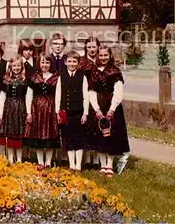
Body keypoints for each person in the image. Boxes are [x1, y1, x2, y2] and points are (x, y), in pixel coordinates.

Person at [88, 45, 130, 177]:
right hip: (99, 106)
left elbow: (118, 92)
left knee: (111, 135)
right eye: (101, 55)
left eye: (106, 55)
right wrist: (96, 109)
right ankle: (102, 164)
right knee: (100, 136)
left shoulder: (115, 71)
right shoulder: (94, 71)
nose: (103, 57)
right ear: (97, 56)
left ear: (110, 55)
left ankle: (110, 165)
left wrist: (112, 109)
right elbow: (91, 92)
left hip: (112, 106)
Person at [55, 51, 90, 171]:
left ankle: (78, 165)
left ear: (78, 63)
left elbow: (86, 96)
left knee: (78, 138)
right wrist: (57, 112)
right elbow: (58, 95)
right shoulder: (61, 76)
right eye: (69, 61)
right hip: (66, 112)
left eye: (74, 61)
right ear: (65, 62)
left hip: (79, 112)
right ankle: (71, 164)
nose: (72, 64)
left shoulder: (82, 76)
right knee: (68, 137)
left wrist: (85, 113)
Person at [24, 53, 60, 167]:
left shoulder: (56, 77)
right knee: (38, 133)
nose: (45, 65)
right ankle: (40, 161)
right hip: (36, 109)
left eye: (47, 62)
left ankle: (48, 161)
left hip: (50, 108)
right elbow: (29, 95)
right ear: (39, 63)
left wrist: (57, 111)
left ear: (51, 64)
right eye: (43, 62)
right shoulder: (34, 77)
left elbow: (58, 94)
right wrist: (29, 112)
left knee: (50, 133)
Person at [0, 57, 32, 163]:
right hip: (9, 108)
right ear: (10, 67)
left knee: (19, 133)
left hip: (21, 107)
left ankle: (20, 158)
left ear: (22, 67)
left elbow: (28, 96)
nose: (16, 68)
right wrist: (1, 113)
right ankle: (11, 157)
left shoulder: (26, 79)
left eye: (18, 65)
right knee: (10, 133)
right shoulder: (6, 79)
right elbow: (2, 97)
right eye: (14, 66)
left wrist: (28, 112)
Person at [79, 36, 101, 169]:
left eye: (94, 47)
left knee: (98, 128)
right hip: (86, 95)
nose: (92, 50)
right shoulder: (82, 62)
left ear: (98, 47)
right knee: (87, 128)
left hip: (100, 96)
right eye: (89, 47)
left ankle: (97, 159)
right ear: (86, 48)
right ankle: (87, 159)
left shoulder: (102, 59)